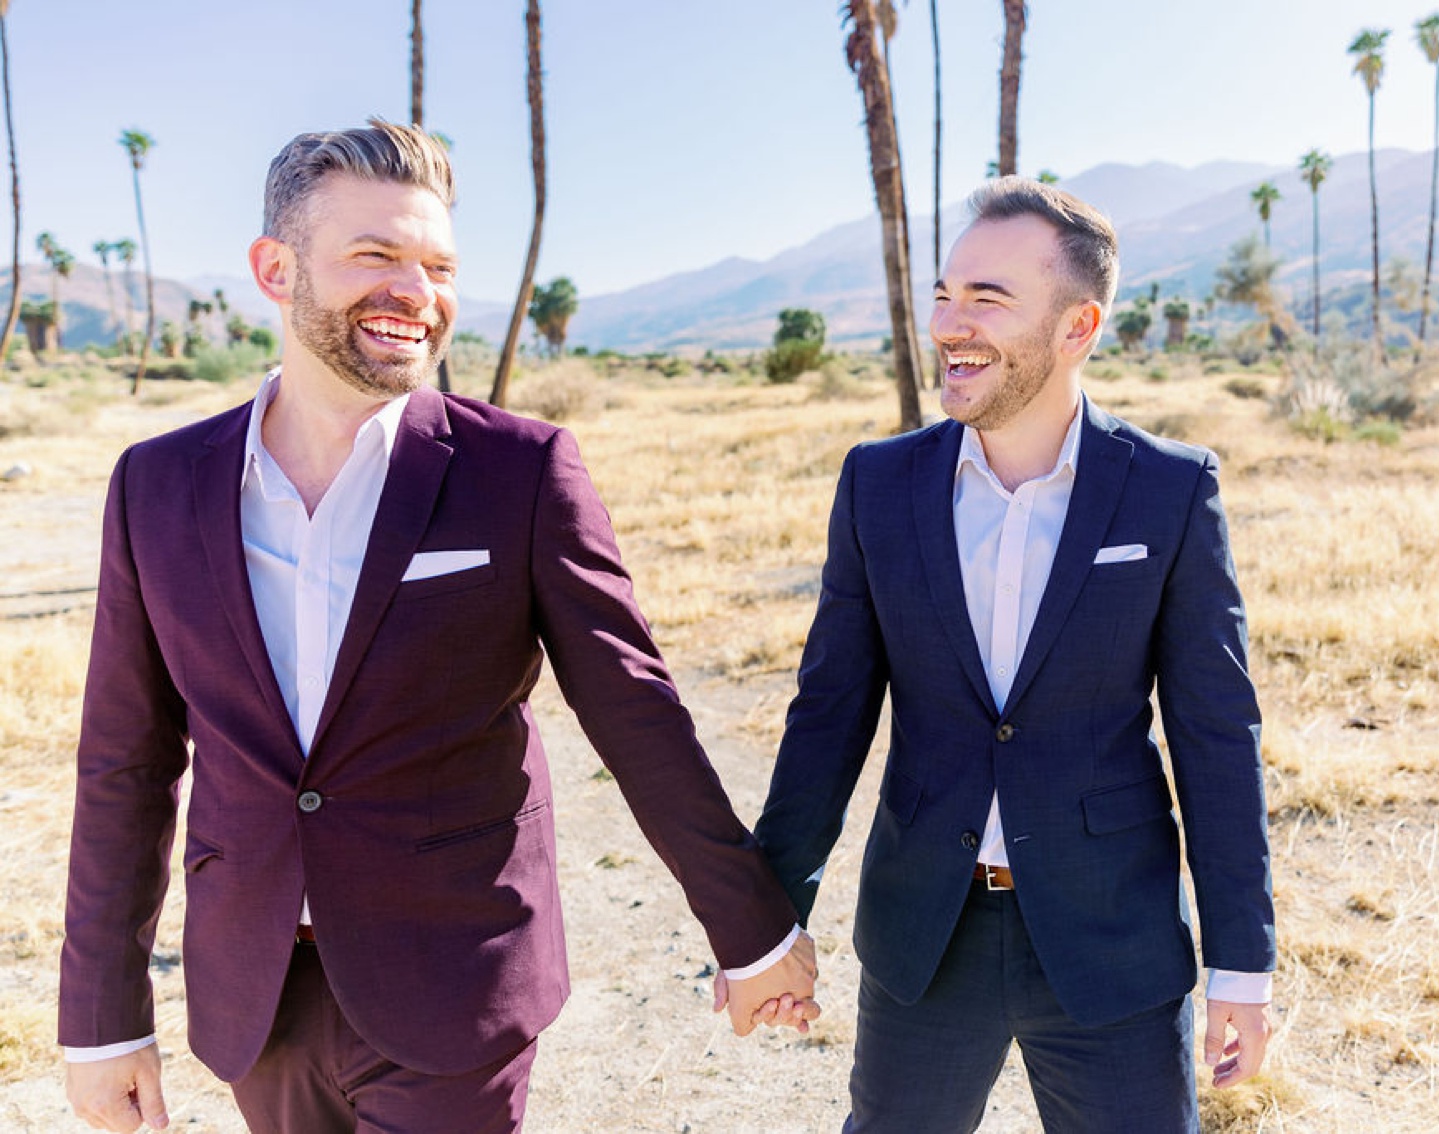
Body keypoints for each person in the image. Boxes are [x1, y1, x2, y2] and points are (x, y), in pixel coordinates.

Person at [58, 118, 816, 1134]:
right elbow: (124, 764)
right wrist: (103, 1021)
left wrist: (750, 928)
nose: (416, 293)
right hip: (256, 997)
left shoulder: (517, 471)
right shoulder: (154, 486)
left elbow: (633, 711)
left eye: (437, 264)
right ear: (274, 269)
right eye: (375, 256)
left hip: (453, 979)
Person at [750, 176, 1276, 1132]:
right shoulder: (880, 483)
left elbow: (1215, 736)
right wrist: (767, 920)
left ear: (1079, 327)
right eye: (947, 293)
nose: (951, 321)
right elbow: (828, 714)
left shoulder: (1168, 490)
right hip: (924, 937)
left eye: (989, 298)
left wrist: (1241, 962)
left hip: (1111, 938)